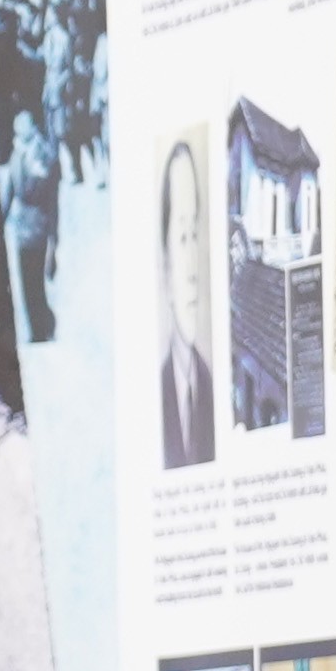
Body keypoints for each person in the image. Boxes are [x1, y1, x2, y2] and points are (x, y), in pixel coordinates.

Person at [153, 136, 217, 470]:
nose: (192, 269)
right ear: (165, 263)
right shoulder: (152, 395)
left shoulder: (211, 388)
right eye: (181, 238)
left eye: (195, 234)